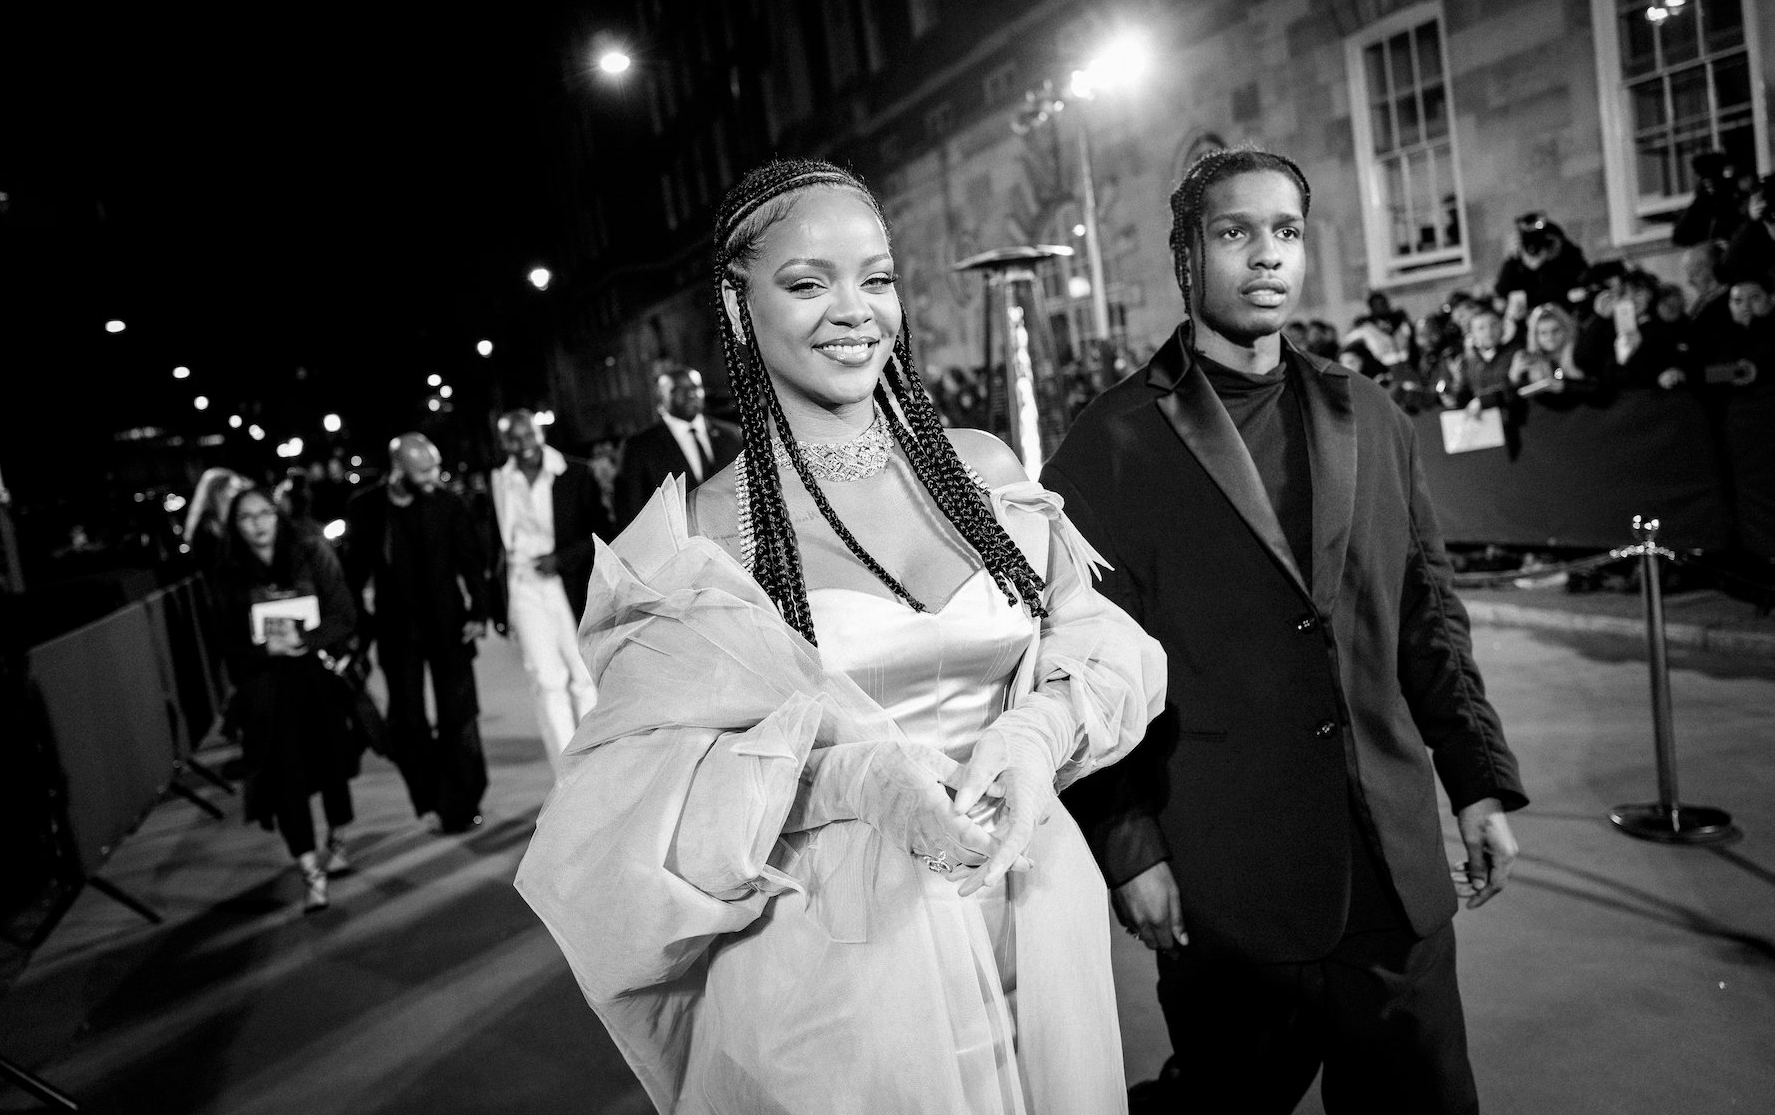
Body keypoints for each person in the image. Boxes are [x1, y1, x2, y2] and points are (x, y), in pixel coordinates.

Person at [516, 159, 1166, 1114]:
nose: (855, 310)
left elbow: (1098, 643)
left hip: (1033, 912)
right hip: (841, 968)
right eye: (808, 283)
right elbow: (633, 811)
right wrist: (847, 782)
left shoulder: (982, 471)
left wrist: (1040, 732)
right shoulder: (705, 535)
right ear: (737, 306)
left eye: (877, 277)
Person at [1042, 146, 1526, 1114]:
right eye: (1236, 232)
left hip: (1391, 872)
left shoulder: (1373, 415)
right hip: (1228, 884)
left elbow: (1427, 614)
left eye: (1287, 232)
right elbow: (1078, 668)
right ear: (1187, 256)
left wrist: (1476, 780)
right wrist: (1130, 847)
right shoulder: (1110, 444)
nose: (1267, 254)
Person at [214, 487, 360, 912]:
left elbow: (344, 615)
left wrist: (306, 639)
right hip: (265, 691)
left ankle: (338, 839)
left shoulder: (310, 553)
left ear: (278, 516)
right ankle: (310, 871)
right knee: (285, 781)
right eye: (247, 517)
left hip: (318, 680)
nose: (258, 523)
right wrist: (265, 649)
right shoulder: (227, 572)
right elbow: (223, 641)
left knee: (333, 768)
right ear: (234, 526)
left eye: (265, 513)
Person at [342, 433, 491, 833]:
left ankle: (463, 803)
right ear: (398, 470)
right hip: (395, 629)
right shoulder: (366, 507)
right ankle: (427, 800)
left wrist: (479, 610)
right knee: (408, 720)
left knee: (459, 715)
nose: (432, 477)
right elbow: (353, 573)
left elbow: (471, 560)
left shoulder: (448, 503)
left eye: (434, 467)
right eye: (423, 471)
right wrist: (360, 627)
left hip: (449, 624)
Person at [489, 409, 612, 772]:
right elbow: (494, 549)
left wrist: (561, 559)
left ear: (540, 434)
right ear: (504, 443)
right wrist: (496, 607)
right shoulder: (499, 481)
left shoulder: (575, 473)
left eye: (528, 435)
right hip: (523, 587)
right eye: (513, 438)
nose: (523, 444)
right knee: (546, 681)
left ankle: (594, 762)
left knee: (582, 675)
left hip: (567, 583)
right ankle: (566, 771)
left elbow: (601, 532)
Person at [612, 365, 744, 525]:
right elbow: (631, 511)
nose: (691, 393)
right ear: (661, 395)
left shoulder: (732, 435)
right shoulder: (639, 446)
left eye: (696, 387)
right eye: (679, 389)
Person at [1494, 211, 1589, 316]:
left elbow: (1582, 284)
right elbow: (1500, 296)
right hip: (1528, 319)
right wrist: (1514, 259)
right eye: (1529, 242)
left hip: (1564, 315)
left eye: (1545, 242)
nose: (1537, 246)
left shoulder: (1569, 261)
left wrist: (1557, 255)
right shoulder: (1516, 266)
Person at [182, 466, 251, 570]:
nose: (240, 493)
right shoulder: (204, 528)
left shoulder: (236, 517)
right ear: (218, 491)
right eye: (236, 489)